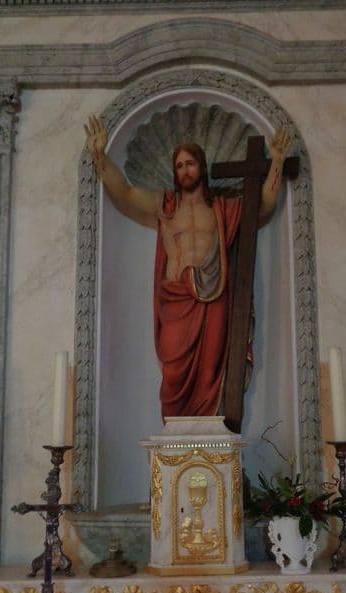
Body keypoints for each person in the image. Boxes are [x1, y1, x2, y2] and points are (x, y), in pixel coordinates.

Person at [85, 115, 291, 419]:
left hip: (214, 296)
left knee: (210, 372)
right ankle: (175, 429)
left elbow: (263, 205)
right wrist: (100, 156)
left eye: (190, 163)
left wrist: (277, 162)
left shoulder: (222, 208)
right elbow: (125, 193)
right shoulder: (165, 205)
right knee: (173, 373)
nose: (185, 170)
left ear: (202, 167)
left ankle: (206, 429)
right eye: (179, 165)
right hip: (176, 299)